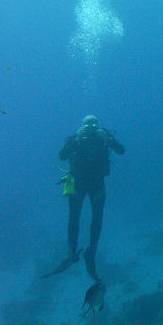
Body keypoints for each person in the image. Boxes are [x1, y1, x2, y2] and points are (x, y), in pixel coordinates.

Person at [43, 115, 124, 281]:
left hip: (97, 184)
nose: (91, 127)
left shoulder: (104, 137)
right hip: (78, 184)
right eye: (88, 124)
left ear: (99, 125)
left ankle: (91, 252)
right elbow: (62, 156)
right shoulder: (76, 139)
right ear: (81, 126)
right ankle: (71, 252)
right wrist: (76, 139)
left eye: (94, 124)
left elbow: (121, 150)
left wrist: (107, 138)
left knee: (97, 219)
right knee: (74, 218)